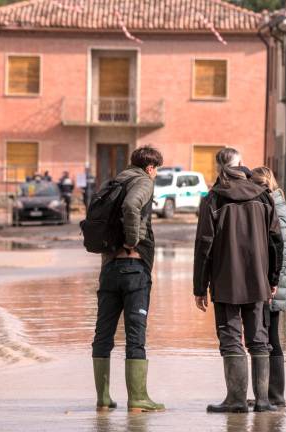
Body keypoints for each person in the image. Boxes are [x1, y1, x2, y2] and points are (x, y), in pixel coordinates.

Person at [193, 148, 283, 413]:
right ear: (242, 166)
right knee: (259, 338)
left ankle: (236, 400)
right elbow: (276, 241)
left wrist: (200, 286)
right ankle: (264, 401)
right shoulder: (264, 196)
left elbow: (203, 245)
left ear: (219, 168)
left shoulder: (214, 198)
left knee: (231, 338)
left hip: (224, 280)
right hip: (258, 279)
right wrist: (273, 278)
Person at [91, 146, 165, 413]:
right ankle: (138, 399)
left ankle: (103, 398)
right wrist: (133, 240)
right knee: (136, 335)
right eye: (157, 169)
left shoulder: (113, 182)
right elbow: (132, 206)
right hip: (133, 269)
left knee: (103, 334)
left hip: (108, 268)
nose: (156, 174)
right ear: (150, 167)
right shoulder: (143, 181)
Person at [251, 166, 286, 407]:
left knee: (269, 338)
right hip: (281, 279)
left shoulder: (271, 208)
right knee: (271, 335)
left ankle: (273, 395)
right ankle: (271, 395)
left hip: (273, 282)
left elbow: (275, 248)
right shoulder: (282, 206)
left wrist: (271, 280)